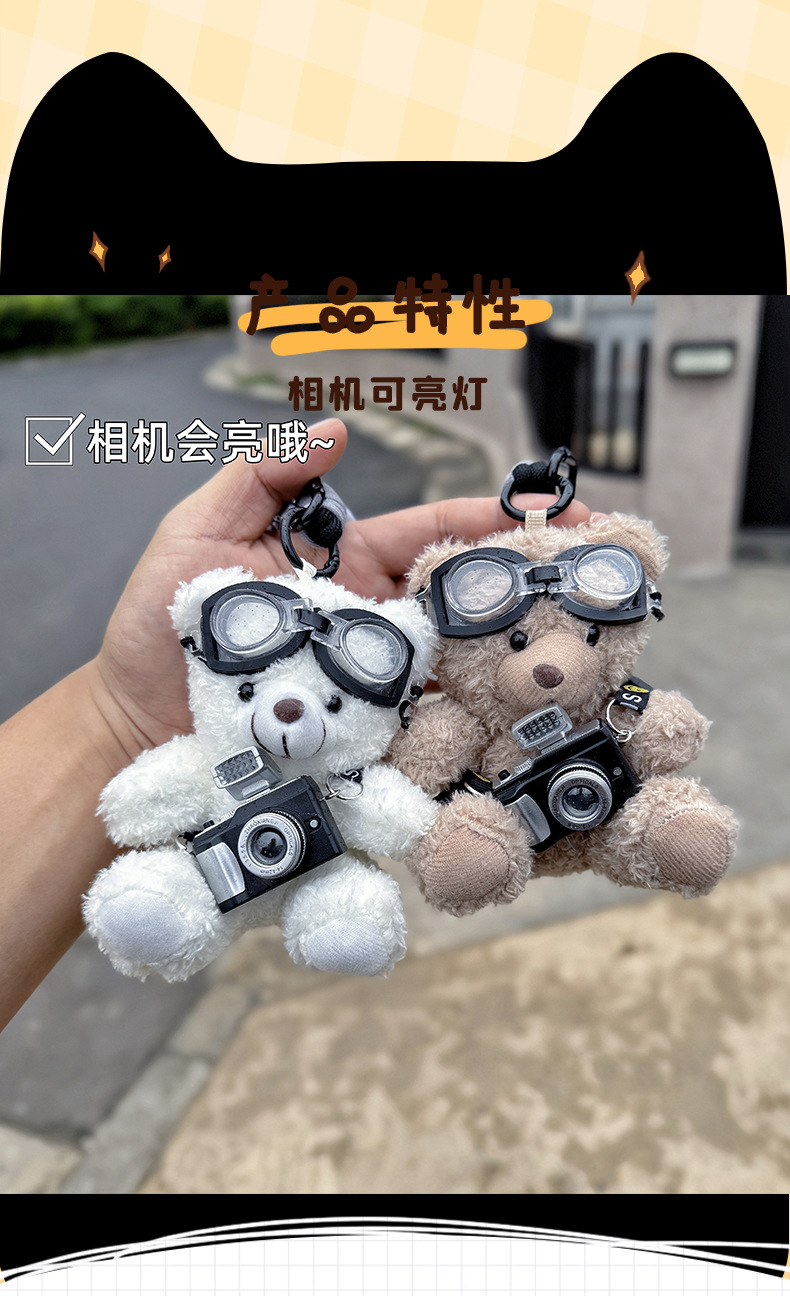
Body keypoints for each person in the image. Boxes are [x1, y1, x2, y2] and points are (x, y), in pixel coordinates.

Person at [0, 420, 593, 1029]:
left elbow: (406, 823)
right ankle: (162, 908)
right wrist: (116, 719)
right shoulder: (214, 763)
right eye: (250, 689)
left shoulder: (345, 783)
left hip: (322, 868)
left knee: (348, 902)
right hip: (208, 867)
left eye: (336, 703)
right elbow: (133, 805)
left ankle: (342, 918)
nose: (289, 714)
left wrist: (112, 724)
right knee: (166, 894)